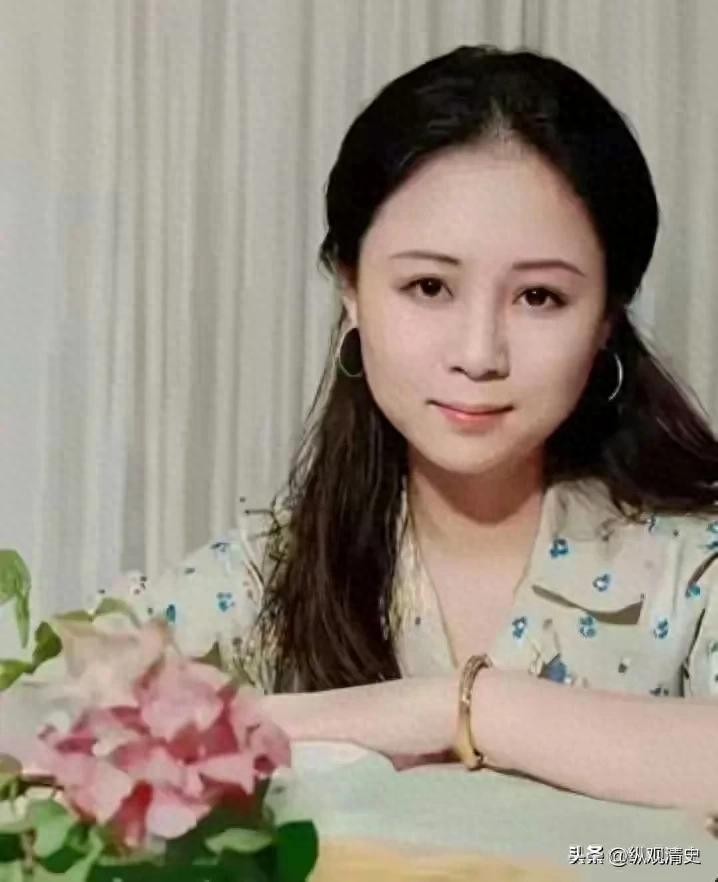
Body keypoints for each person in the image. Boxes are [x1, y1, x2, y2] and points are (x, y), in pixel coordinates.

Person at [104, 45, 718, 811]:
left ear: (605, 322)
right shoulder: (270, 576)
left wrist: (455, 710)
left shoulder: (693, 570)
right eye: (429, 286)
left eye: (539, 298)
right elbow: (45, 721)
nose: (479, 354)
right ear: (352, 289)